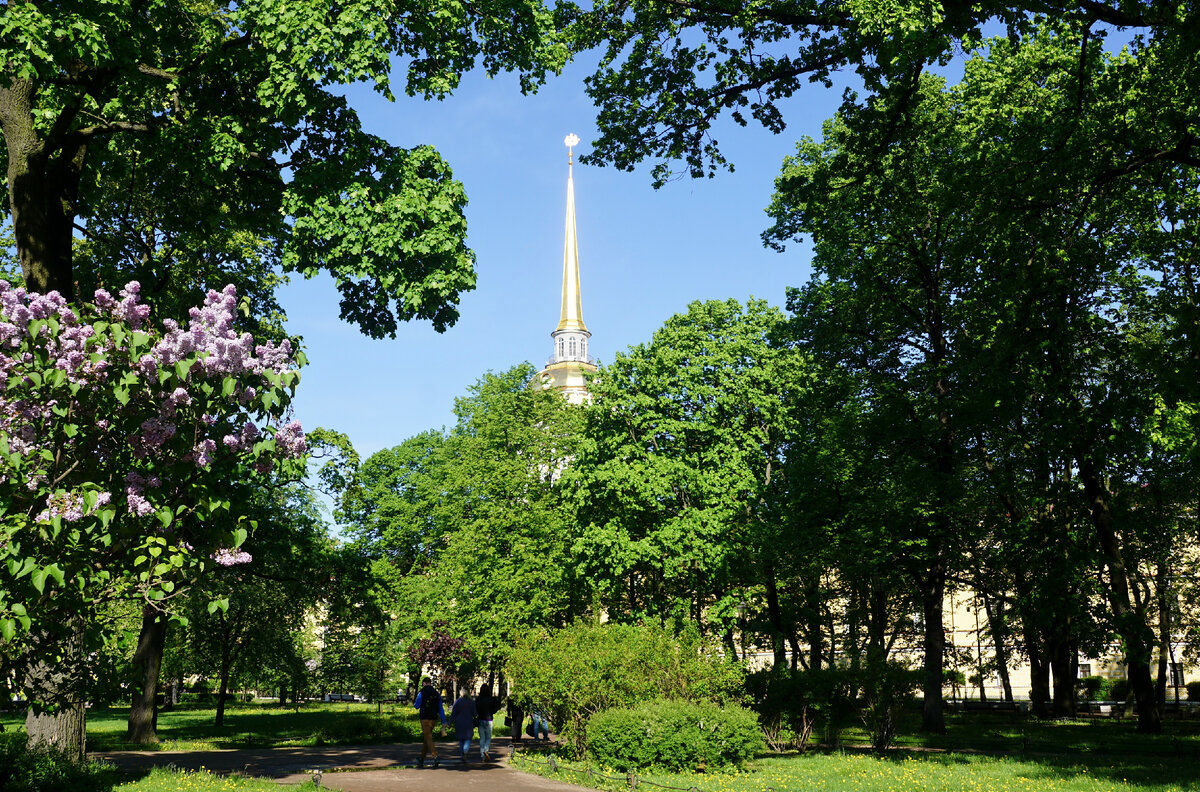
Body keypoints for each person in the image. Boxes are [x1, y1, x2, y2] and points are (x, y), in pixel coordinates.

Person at [413, 677, 446, 768]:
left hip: (424, 718)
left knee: (428, 737)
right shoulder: (436, 693)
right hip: (433, 718)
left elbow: (416, 706)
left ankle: (435, 756)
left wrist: (415, 703)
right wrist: (443, 720)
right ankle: (421, 758)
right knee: (427, 738)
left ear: (423, 683)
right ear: (430, 683)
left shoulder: (421, 693)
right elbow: (440, 708)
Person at [475, 683, 503, 761]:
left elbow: (475, 709)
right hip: (489, 720)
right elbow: (496, 708)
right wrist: (492, 712)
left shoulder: (478, 699)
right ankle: (486, 750)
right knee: (488, 738)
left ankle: (482, 755)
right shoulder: (491, 699)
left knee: (482, 739)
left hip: (480, 719)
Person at [450, 689, 477, 762]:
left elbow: (453, 713)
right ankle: (465, 752)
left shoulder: (457, 701)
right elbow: (475, 714)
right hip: (468, 723)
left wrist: (449, 723)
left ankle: (462, 755)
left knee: (461, 740)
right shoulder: (471, 702)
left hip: (459, 723)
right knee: (468, 739)